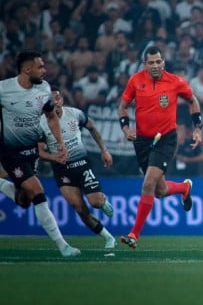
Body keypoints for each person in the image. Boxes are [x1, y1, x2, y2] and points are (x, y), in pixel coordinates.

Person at [117, 45, 202, 249]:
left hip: (165, 139)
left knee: (147, 184)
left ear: (163, 62)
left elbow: (192, 100)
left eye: (158, 61)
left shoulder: (176, 82)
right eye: (151, 62)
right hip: (143, 141)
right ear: (144, 64)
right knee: (159, 190)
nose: (155, 66)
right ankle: (184, 187)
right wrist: (126, 128)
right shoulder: (135, 80)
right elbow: (122, 107)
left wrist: (197, 128)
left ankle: (134, 234)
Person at [0, 50, 80, 257]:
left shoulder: (44, 89)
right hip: (10, 153)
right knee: (38, 193)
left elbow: (51, 117)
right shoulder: (4, 89)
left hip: (31, 152)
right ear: (27, 69)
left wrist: (60, 143)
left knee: (23, 200)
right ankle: (63, 246)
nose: (45, 70)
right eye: (40, 67)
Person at [37, 87, 117, 249]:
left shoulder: (75, 114)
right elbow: (39, 152)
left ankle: (103, 202)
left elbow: (93, 128)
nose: (55, 102)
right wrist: (54, 157)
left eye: (57, 98)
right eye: (51, 100)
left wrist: (104, 150)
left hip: (82, 165)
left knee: (95, 203)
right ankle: (108, 238)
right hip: (62, 170)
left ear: (62, 101)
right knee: (80, 209)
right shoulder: (41, 124)